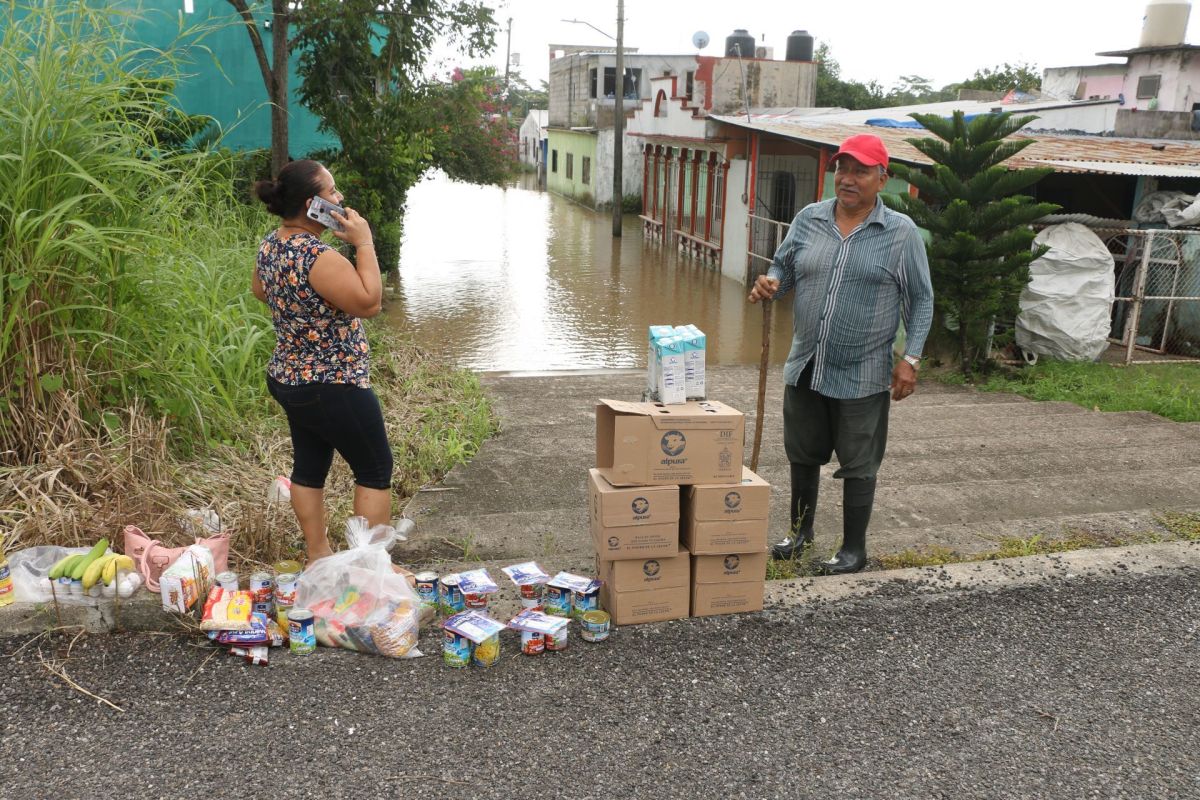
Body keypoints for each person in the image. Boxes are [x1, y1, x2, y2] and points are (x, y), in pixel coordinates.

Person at [748, 134, 934, 575]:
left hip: (864, 370)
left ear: (881, 178)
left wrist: (912, 359)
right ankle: (800, 534)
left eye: (861, 171)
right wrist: (770, 282)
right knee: (802, 453)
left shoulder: (900, 233)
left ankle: (854, 550)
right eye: (842, 169)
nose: (848, 179)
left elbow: (921, 300)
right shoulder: (809, 218)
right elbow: (785, 268)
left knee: (858, 463)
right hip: (807, 363)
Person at [251, 160, 391, 564]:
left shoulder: (271, 245)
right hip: (333, 384)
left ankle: (318, 554)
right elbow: (370, 303)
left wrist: (301, 309)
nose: (340, 198)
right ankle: (370, 566)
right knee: (375, 468)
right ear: (313, 204)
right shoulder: (318, 256)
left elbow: (260, 290)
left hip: (290, 378)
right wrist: (363, 243)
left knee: (310, 467)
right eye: (332, 192)